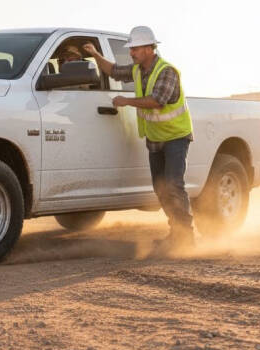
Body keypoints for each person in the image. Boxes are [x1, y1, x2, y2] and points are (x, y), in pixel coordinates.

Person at [83, 26, 195, 250]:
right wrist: (95, 55)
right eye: (131, 48)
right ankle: (176, 232)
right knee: (161, 188)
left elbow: (157, 101)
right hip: (155, 138)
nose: (131, 52)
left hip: (176, 136)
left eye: (135, 48)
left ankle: (186, 237)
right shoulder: (136, 70)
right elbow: (114, 71)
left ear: (149, 49)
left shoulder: (166, 71)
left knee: (173, 185)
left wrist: (126, 101)